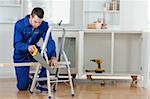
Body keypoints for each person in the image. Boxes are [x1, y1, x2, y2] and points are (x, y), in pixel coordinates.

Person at [13, 7, 58, 91]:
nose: (37, 24)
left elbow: (49, 41)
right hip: (20, 55)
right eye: (35, 21)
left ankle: (41, 82)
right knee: (22, 87)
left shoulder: (44, 25)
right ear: (31, 17)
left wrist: (53, 56)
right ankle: (30, 80)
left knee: (46, 57)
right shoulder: (19, 24)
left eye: (39, 22)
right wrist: (27, 47)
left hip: (34, 51)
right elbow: (16, 44)